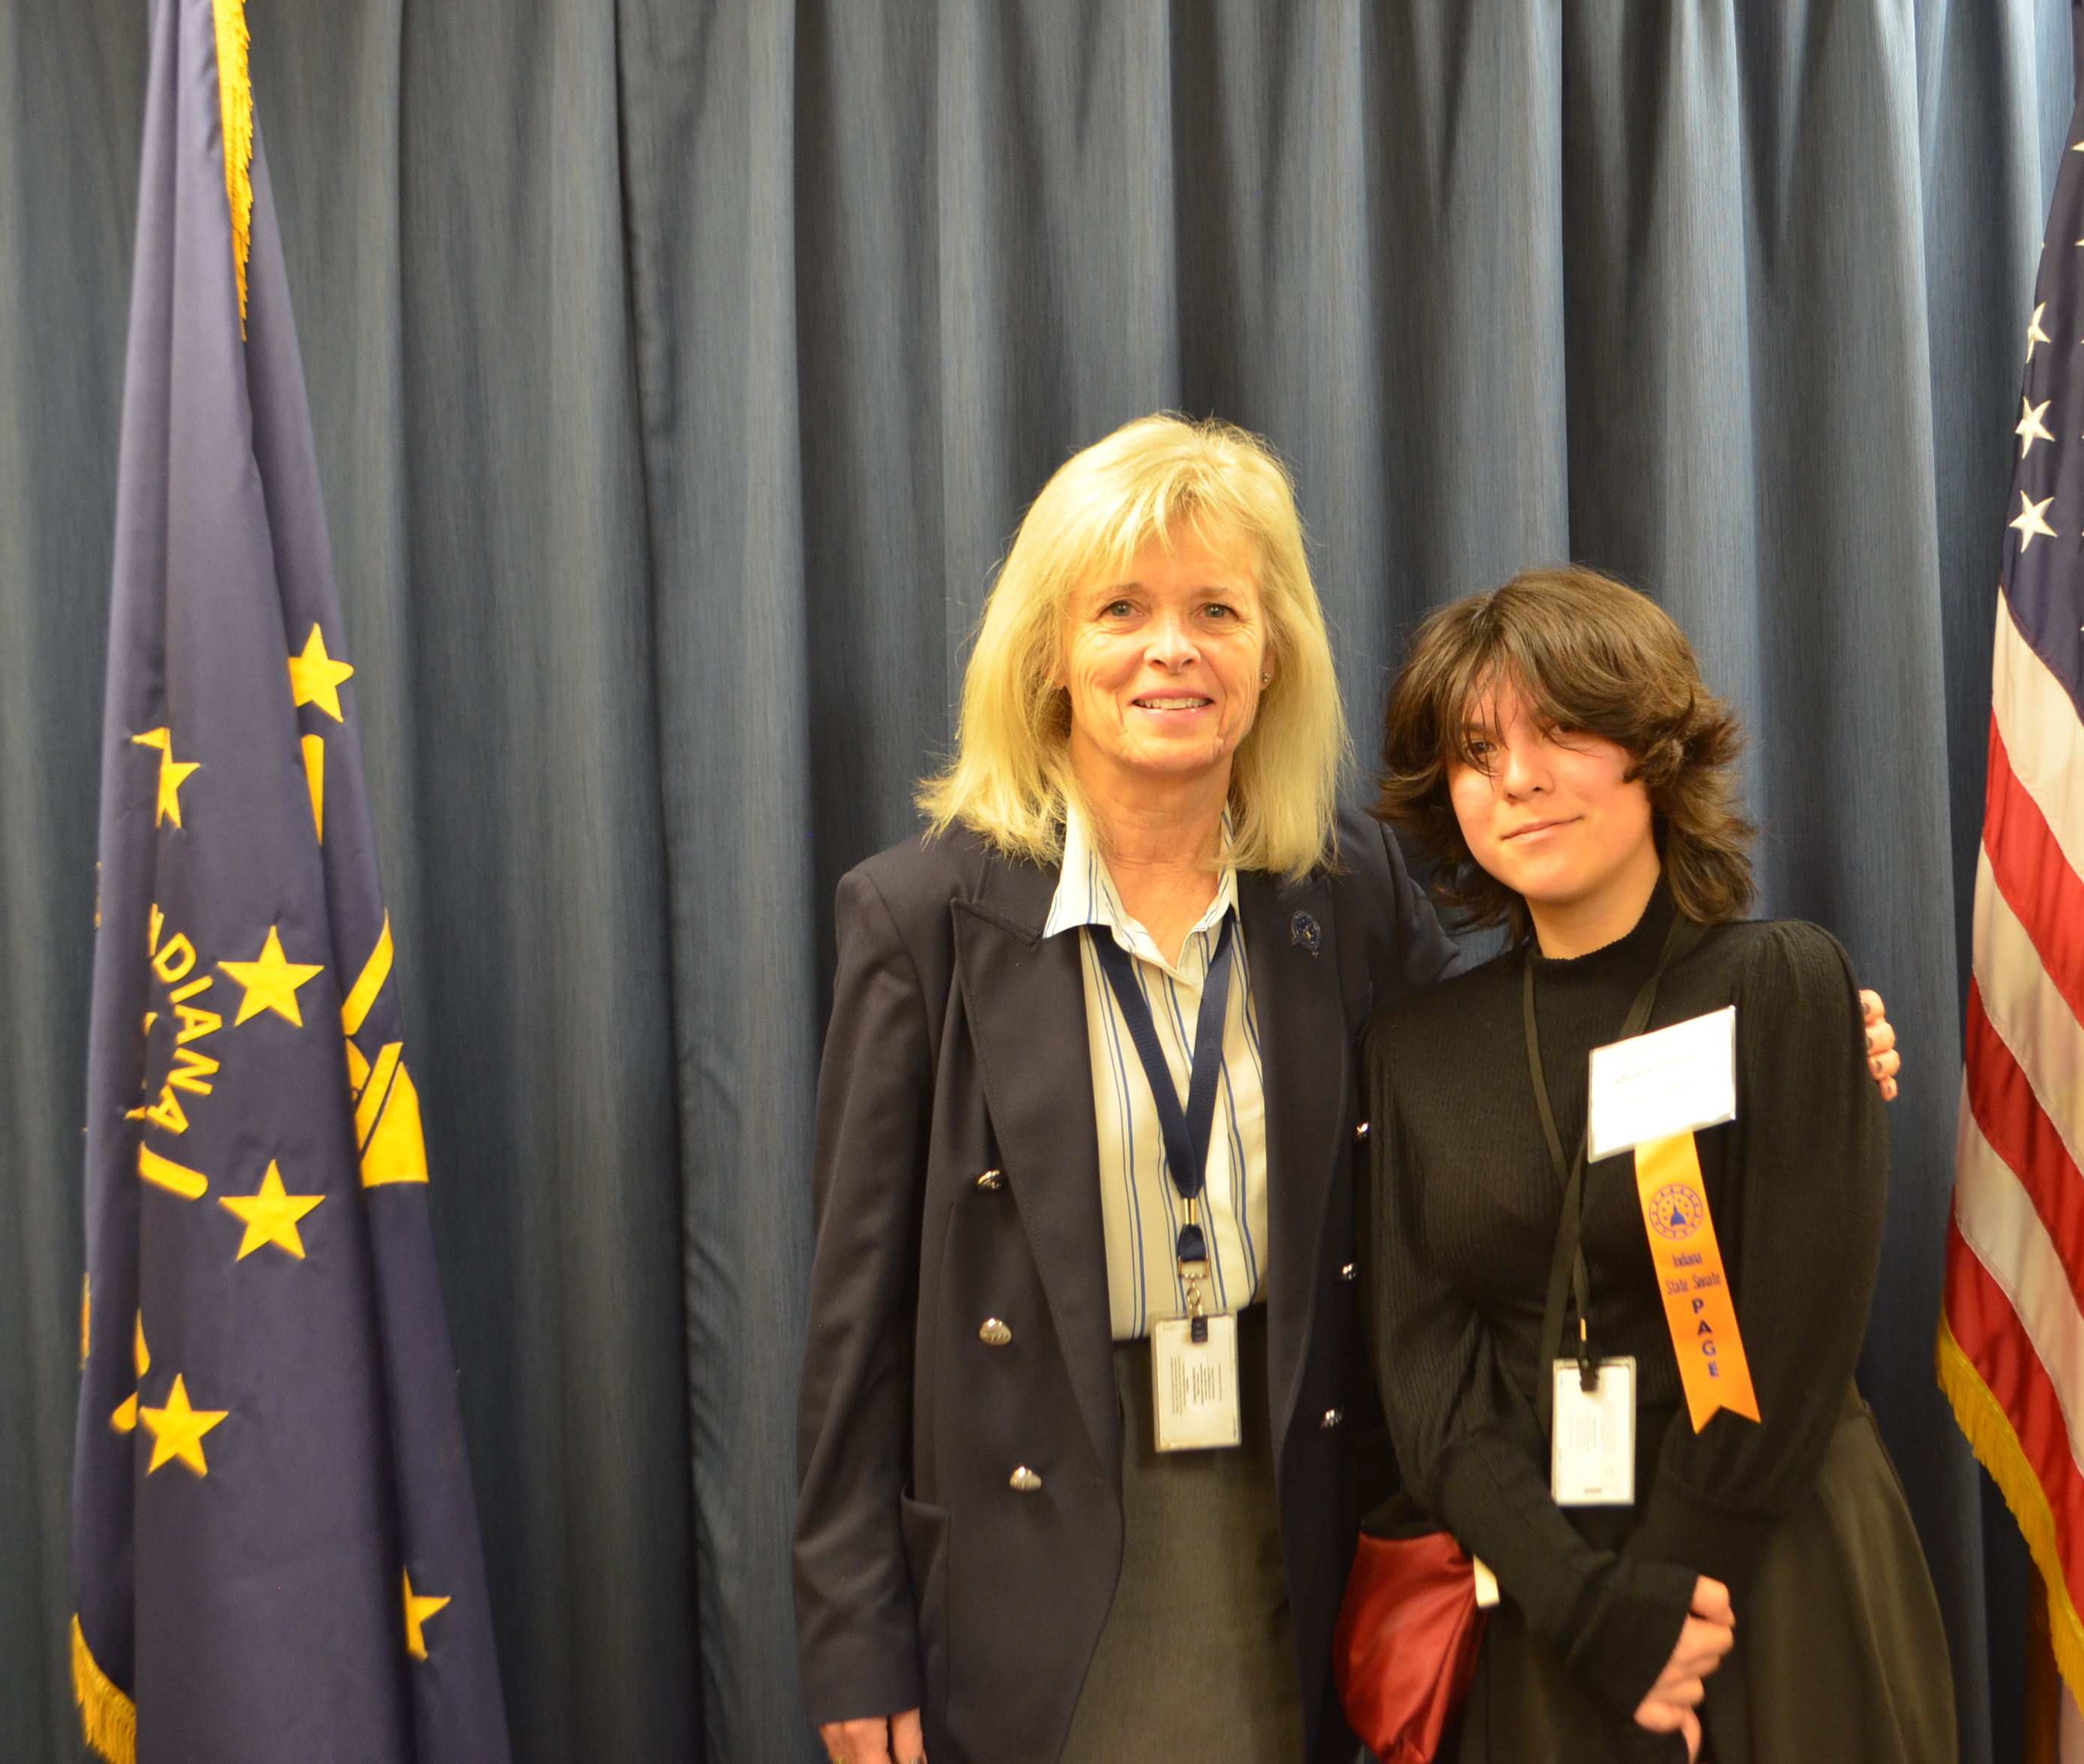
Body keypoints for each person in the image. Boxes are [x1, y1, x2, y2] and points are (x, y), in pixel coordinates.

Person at [794, 416, 1905, 1764]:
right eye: (1122, 609)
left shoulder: (1345, 890)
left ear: (1271, 655)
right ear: (1049, 653)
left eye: (1218, 610)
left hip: (1298, 1501)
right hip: (1048, 1515)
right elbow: (855, 1323)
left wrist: (1795, 1053)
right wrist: (851, 1631)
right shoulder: (920, 917)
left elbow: (1513, 1092)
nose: (1172, 648)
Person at [1363, 565, 1953, 1764]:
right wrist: (1592, 1612)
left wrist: (1669, 1610)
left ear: (1654, 751)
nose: (1517, 778)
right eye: (1477, 752)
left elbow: (1793, 1339)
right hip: (1553, 1595)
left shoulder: (1783, 981)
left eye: (1559, 732)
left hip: (1778, 1576)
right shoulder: (1415, 1049)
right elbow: (1429, 1390)